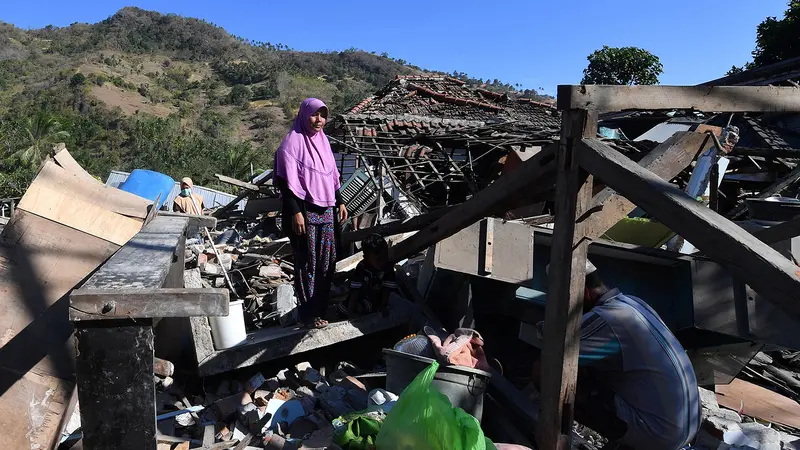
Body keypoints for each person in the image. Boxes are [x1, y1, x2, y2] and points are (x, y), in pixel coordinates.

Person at [533, 259, 700, 450]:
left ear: (585, 292)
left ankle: (552, 440)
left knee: (545, 370)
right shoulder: (633, 302)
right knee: (585, 369)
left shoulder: (606, 319)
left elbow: (552, 343)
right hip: (684, 429)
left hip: (661, 436)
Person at [274, 98, 347, 329]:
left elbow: (332, 178)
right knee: (307, 265)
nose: (319, 120)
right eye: (315, 115)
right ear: (305, 115)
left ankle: (320, 311)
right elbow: (286, 184)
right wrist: (296, 212)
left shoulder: (324, 143)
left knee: (327, 264)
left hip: (326, 214)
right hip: (305, 214)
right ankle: (307, 315)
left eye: (323, 115)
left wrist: (341, 202)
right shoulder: (291, 144)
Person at [339, 233, 397, 319]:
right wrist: (351, 312)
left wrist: (383, 307)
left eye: (385, 257)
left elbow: (386, 290)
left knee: (370, 306)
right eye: (378, 259)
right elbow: (355, 291)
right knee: (344, 308)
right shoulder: (362, 267)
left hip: (376, 299)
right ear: (366, 258)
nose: (383, 261)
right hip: (361, 297)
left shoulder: (388, 267)